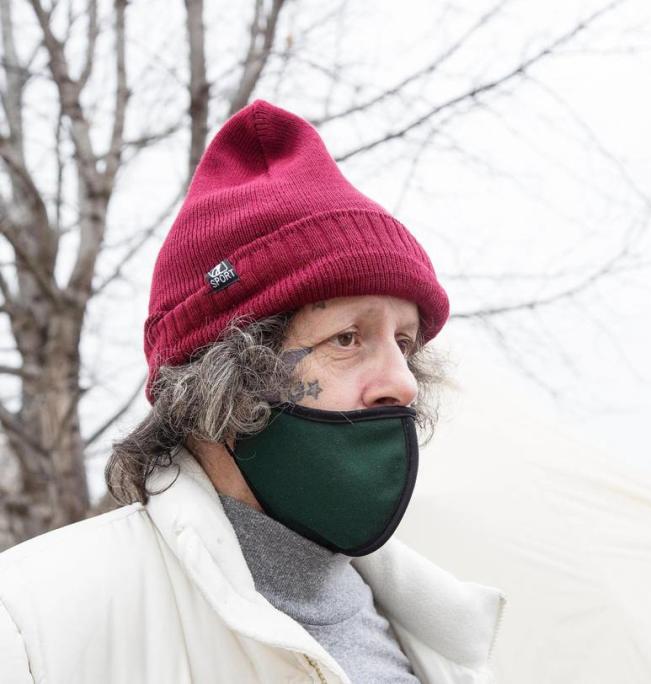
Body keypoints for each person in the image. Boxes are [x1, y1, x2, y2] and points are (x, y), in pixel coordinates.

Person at [0, 100, 506, 683]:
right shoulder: (34, 623)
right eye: (347, 338)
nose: (403, 382)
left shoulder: (448, 641)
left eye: (405, 342)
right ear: (218, 377)